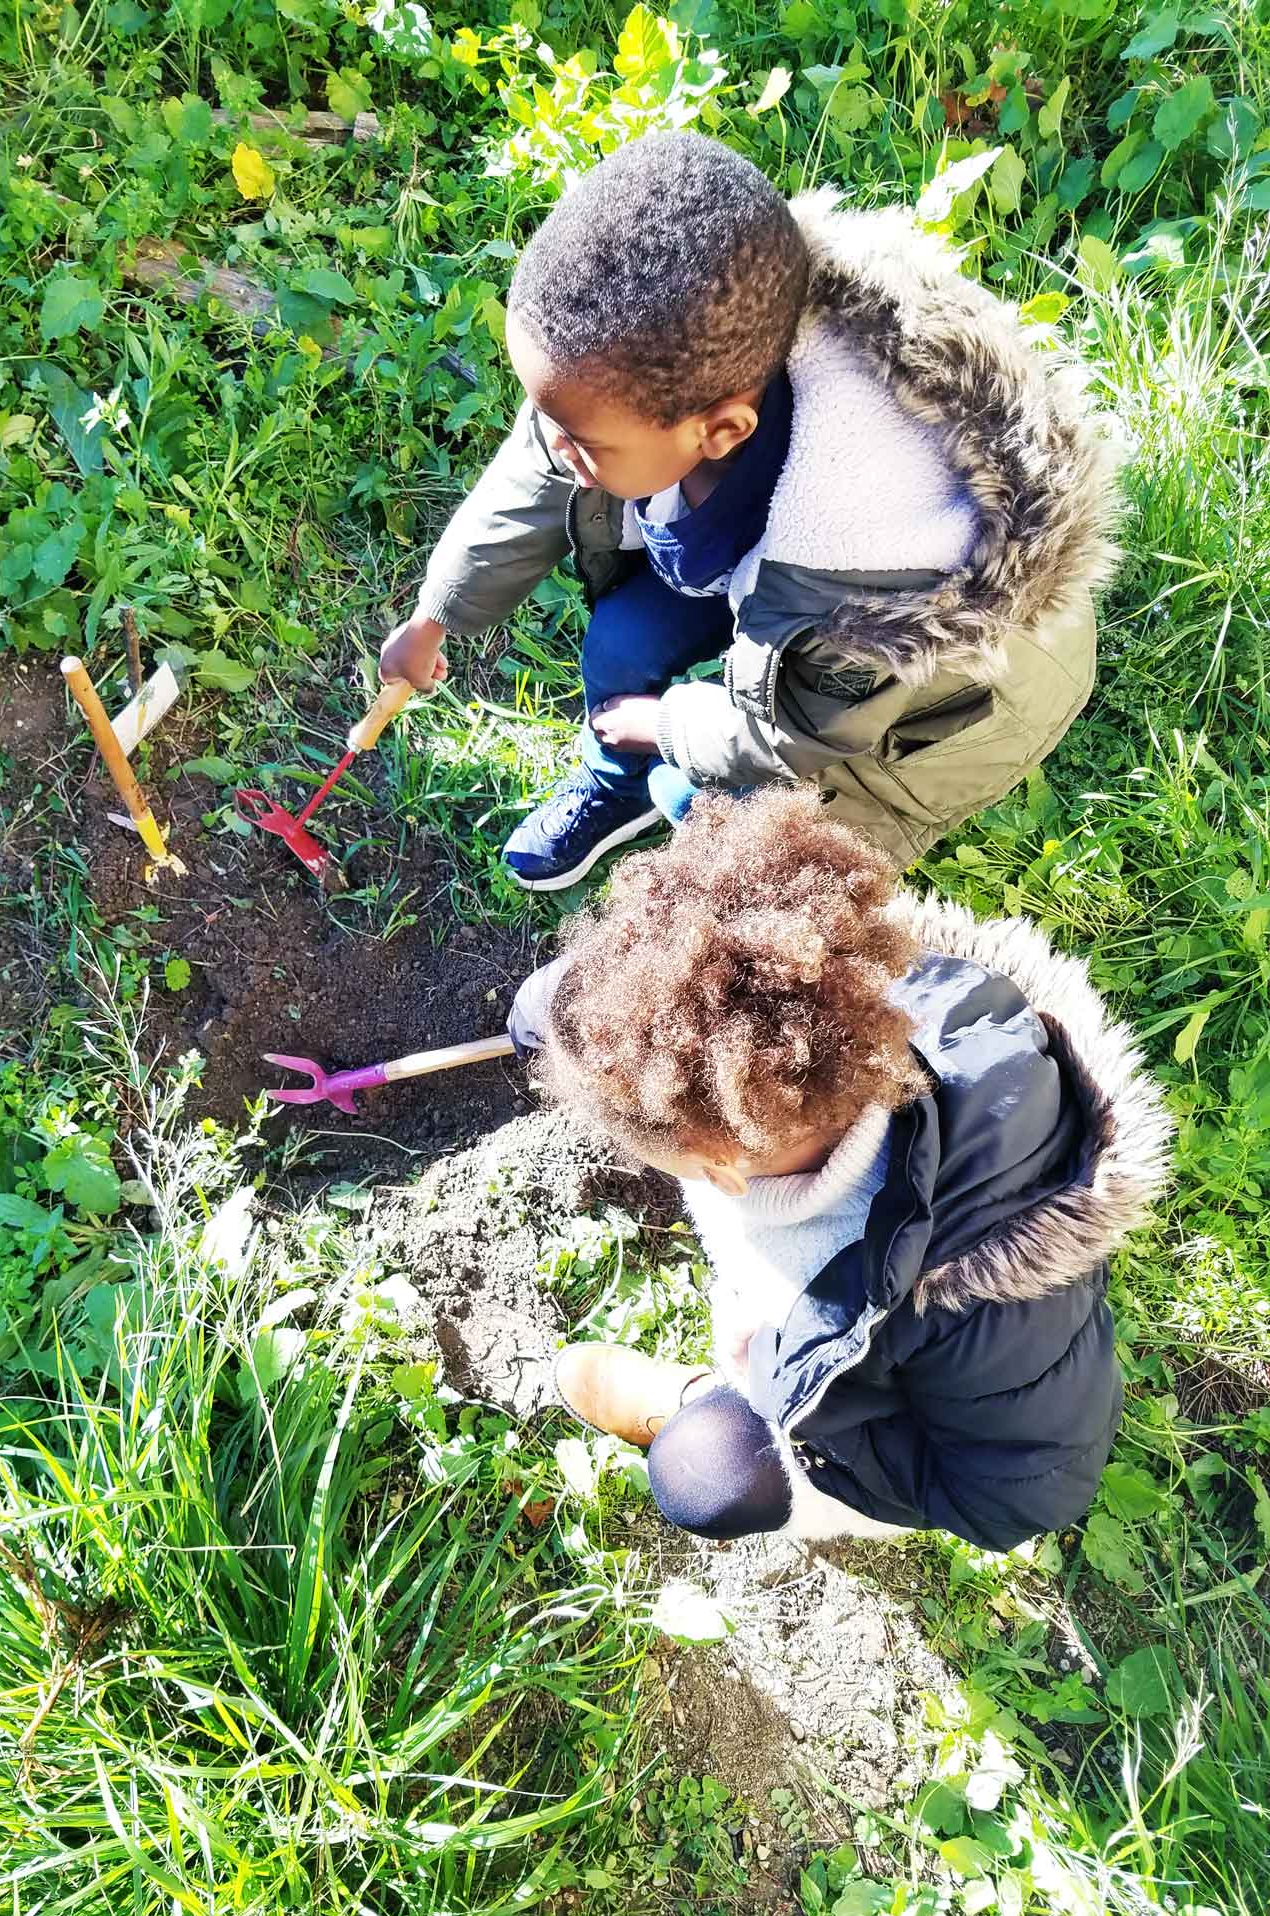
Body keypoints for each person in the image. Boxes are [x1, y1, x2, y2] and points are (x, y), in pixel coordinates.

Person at [378, 130, 1116, 892]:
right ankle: (616, 789)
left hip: (924, 708)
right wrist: (437, 614)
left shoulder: (883, 560)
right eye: (549, 418)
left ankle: (691, 824)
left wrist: (664, 728)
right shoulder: (643, 376)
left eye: (579, 438)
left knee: (755, 851)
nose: (554, 444)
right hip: (773, 591)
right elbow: (530, 474)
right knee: (621, 645)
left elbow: (799, 730)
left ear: (722, 430)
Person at [507, 789, 1171, 1551]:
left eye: (646, 1147)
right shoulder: (843, 1006)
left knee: (708, 1471)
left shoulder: (974, 1310)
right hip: (792, 1217)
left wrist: (778, 1388)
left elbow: (1018, 1497)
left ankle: (690, 1397)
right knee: (546, 1012)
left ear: (720, 1167)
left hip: (860, 1369)